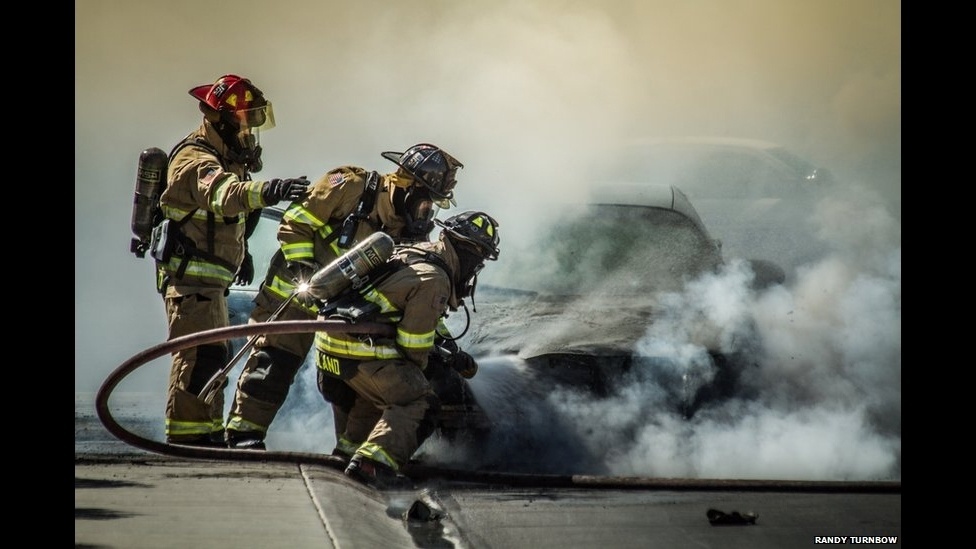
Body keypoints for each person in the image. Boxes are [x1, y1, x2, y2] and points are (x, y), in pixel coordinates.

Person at [225, 143, 466, 450]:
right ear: (407, 186)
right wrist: (303, 265)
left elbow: (415, 293)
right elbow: (297, 220)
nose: (426, 213)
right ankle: (244, 434)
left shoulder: (411, 234)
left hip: (344, 309)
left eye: (431, 207)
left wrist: (442, 337)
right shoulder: (350, 185)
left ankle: (351, 450)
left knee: (357, 377)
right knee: (277, 360)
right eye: (425, 203)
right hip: (294, 289)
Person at [158, 74, 311, 447]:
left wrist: (238, 258)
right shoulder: (194, 160)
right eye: (245, 123)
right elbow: (225, 196)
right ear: (222, 121)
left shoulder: (226, 159)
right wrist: (270, 190)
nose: (249, 135)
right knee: (198, 361)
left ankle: (207, 435)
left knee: (213, 359)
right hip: (189, 281)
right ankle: (188, 441)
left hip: (211, 284)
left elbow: (233, 217)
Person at [313, 211, 501, 489]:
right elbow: (413, 347)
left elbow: (415, 315)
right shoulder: (435, 279)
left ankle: (348, 454)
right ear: (470, 253)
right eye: (480, 259)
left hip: (332, 353)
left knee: (378, 396)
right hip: (361, 354)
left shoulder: (417, 251)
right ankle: (374, 466)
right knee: (419, 401)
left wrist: (449, 348)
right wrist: (435, 363)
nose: (477, 267)